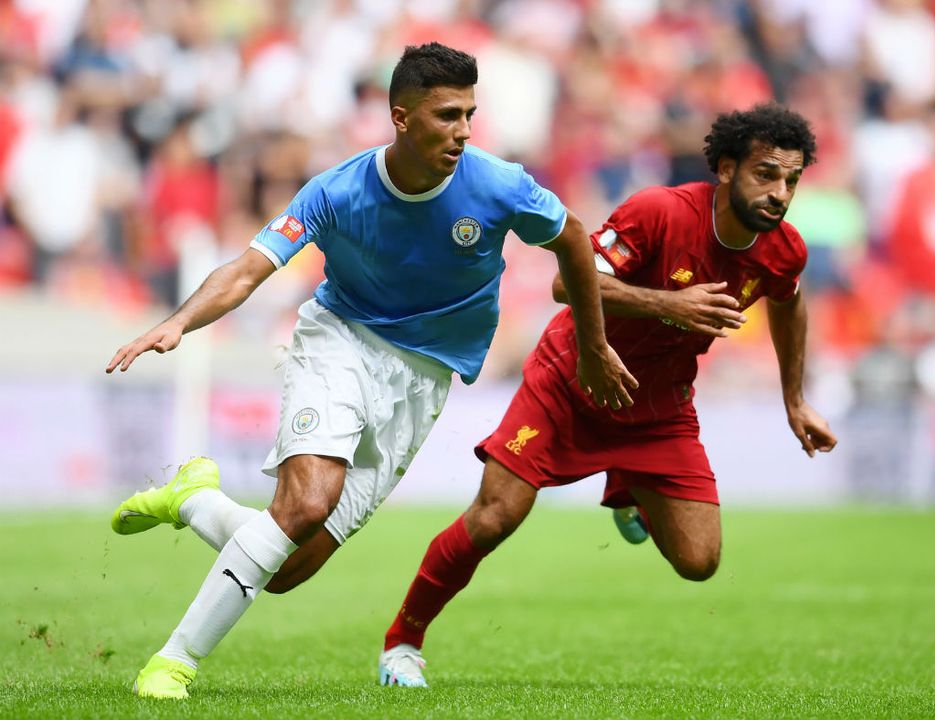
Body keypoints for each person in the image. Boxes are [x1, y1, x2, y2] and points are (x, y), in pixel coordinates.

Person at [103, 42, 635, 700]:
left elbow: (573, 238)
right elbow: (248, 268)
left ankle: (193, 498)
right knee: (304, 503)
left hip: (423, 379)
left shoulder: (499, 183)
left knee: (287, 567)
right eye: (446, 116)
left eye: (469, 114)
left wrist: (592, 343)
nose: (463, 131)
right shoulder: (336, 191)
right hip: (341, 343)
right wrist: (179, 321)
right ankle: (171, 664)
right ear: (401, 117)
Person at [375, 104, 838, 688]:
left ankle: (625, 484)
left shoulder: (784, 249)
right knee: (496, 518)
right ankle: (402, 644)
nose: (780, 192)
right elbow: (566, 282)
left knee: (700, 562)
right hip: (571, 381)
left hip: (658, 408)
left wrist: (794, 400)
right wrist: (671, 304)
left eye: (792, 180)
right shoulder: (659, 211)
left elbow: (789, 301)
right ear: (726, 168)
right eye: (766, 174)